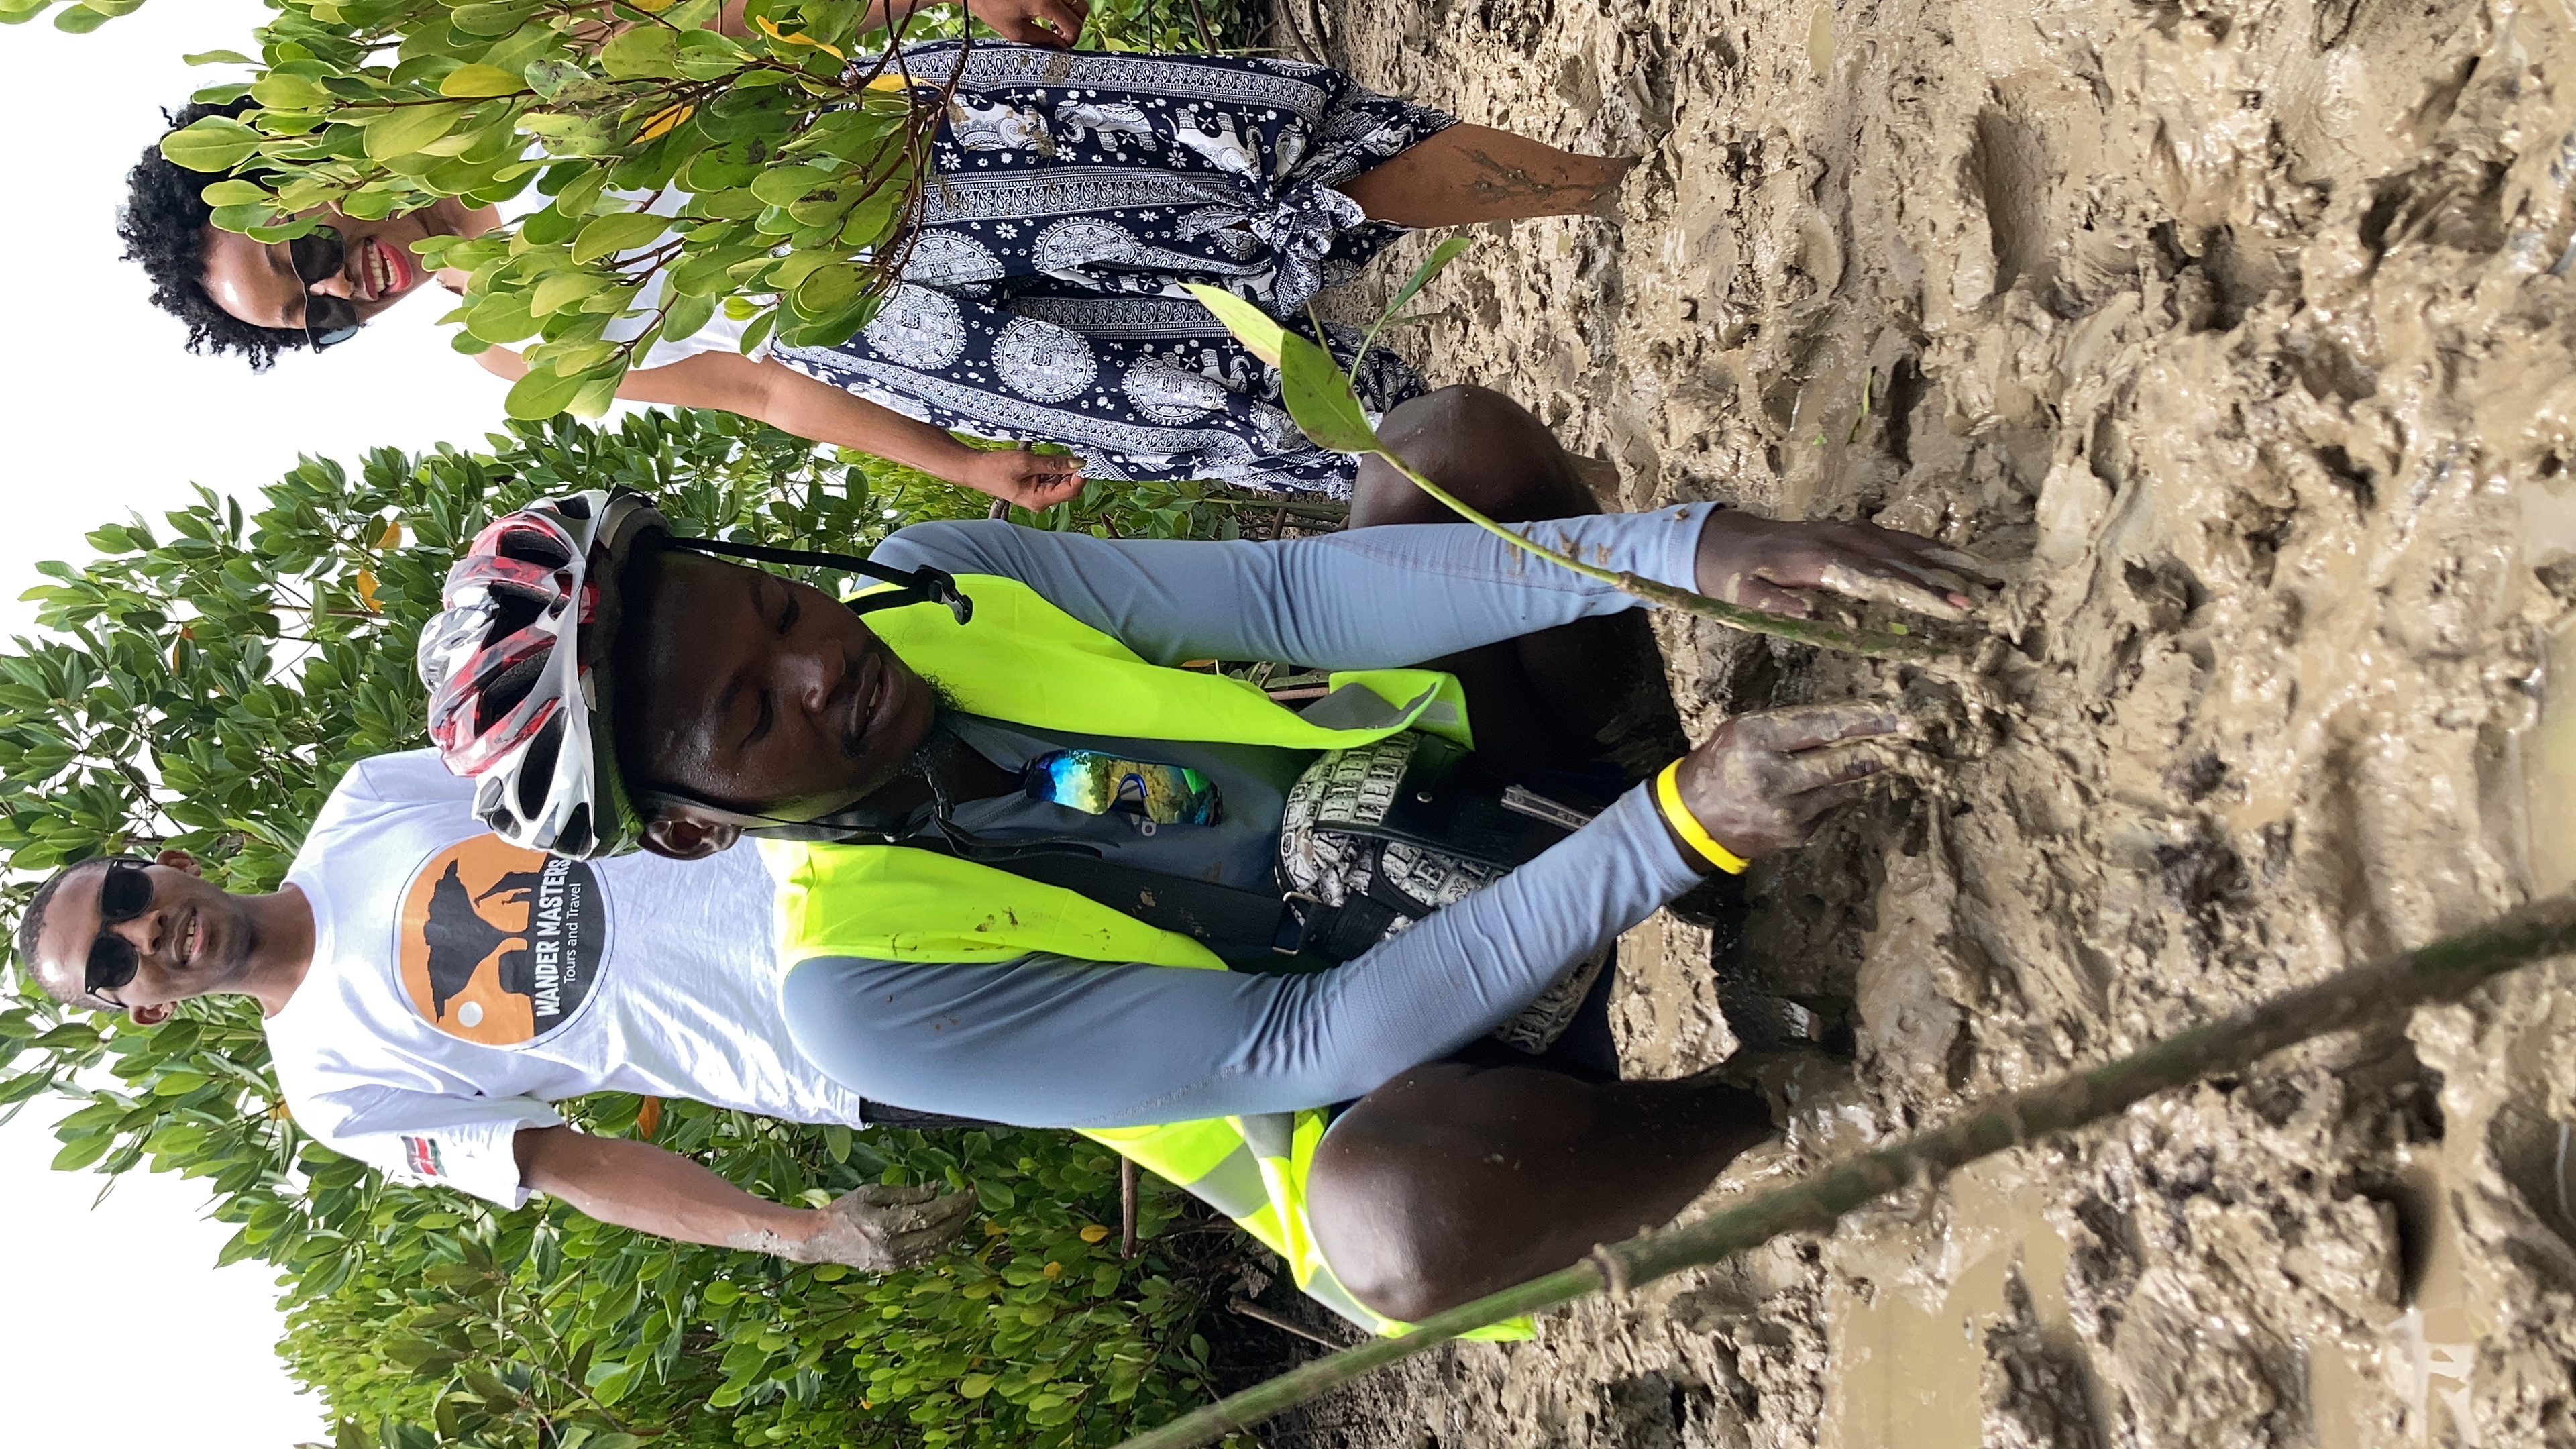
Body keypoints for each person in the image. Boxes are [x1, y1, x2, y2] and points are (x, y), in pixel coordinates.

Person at [19, 400, 1981, 1327]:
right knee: (1400, 1246)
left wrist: (1680, 544)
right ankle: (1757, 1077)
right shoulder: (861, 995)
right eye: (754, 713)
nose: (821, 667)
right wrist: (1668, 821)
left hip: (1429, 822)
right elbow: (1302, 1041)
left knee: (1452, 446)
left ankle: (1709, 882)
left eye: (775, 611)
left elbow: (1301, 577)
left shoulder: (929, 583)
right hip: (1378, 1053)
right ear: (691, 822)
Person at [121, 0, 1633, 502]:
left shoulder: (505, 82)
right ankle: (1582, 511)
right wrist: (958, 465)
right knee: (1249, 423)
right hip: (892, 340)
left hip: (909, 136)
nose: (341, 286)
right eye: (311, 318)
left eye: (305, 249)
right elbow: (768, 393)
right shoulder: (517, 343)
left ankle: (1609, 187)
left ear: (296, 159)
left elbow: (736, 20)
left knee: (1270, 159)